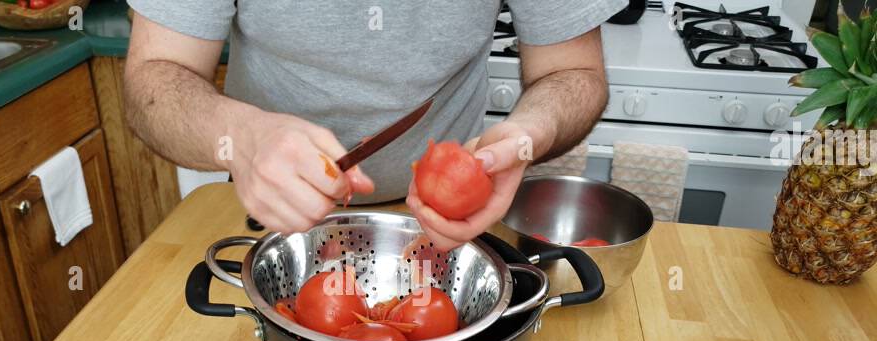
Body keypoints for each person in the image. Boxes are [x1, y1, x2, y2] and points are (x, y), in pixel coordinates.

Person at [124, 1, 626, 249]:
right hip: (267, 221)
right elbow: (152, 79)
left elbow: (573, 73)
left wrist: (526, 136)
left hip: (447, 230)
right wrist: (243, 139)